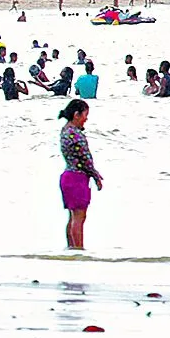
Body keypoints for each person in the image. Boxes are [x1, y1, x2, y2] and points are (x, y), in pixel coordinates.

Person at [57, 98, 103, 249]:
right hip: (77, 178)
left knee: (72, 217)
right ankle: (79, 250)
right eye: (85, 115)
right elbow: (85, 158)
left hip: (68, 176)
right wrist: (95, 175)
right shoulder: (75, 134)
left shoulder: (65, 130)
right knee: (79, 218)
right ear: (76, 115)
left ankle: (71, 249)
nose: (86, 119)